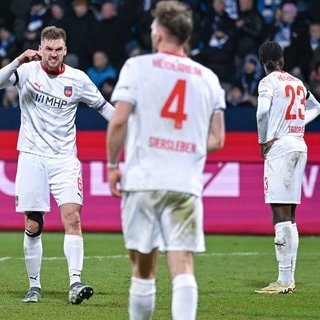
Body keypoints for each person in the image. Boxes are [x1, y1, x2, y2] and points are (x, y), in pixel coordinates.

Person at [106, 1, 226, 319]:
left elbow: (118, 121)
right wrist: (183, 146)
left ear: (159, 34)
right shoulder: (209, 79)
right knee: (183, 263)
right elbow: (218, 139)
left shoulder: (137, 67)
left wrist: (112, 165)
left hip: (143, 179)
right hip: (184, 183)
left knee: (143, 267)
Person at [0, 26, 114, 303]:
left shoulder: (78, 79)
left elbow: (104, 107)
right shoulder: (26, 71)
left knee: (72, 218)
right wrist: (16, 61)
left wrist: (126, 128)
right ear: (41, 49)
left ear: (65, 50)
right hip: (32, 155)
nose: (53, 54)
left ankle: (75, 282)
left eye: (58, 49)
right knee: (33, 223)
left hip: (64, 158)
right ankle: (34, 285)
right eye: (48, 49)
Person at [255, 41, 320, 295]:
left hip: (280, 148)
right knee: (291, 216)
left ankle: (283, 282)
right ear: (282, 59)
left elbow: (262, 113)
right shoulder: (297, 82)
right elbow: (317, 107)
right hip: (299, 144)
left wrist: (263, 141)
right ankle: (288, 279)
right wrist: (296, 123)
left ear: (263, 62)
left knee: (280, 215)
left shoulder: (267, 82)